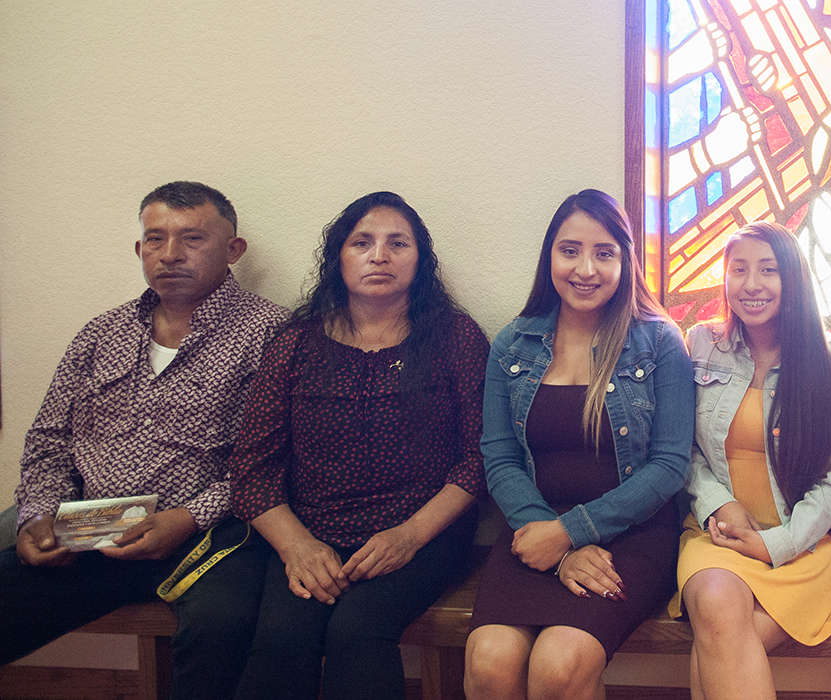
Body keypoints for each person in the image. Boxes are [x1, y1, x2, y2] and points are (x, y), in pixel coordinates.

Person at [0, 181, 286, 699]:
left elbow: (270, 458)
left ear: (233, 249)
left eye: (192, 238)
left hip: (211, 530)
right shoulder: (100, 334)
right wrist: (38, 514)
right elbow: (48, 440)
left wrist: (185, 519)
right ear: (140, 248)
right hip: (92, 527)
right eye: (155, 239)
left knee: (222, 627)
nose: (170, 254)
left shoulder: (271, 333)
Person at [227, 192, 489, 700]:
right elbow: (252, 468)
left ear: (421, 259)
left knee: (358, 633)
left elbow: (480, 457)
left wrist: (409, 536)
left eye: (398, 244)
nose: (379, 256)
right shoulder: (295, 341)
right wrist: (297, 547)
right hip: (310, 533)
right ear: (338, 257)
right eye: (362, 243)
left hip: (424, 534)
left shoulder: (455, 337)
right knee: (281, 640)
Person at [463, 190, 694, 700]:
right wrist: (552, 540)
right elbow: (499, 457)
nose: (585, 269)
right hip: (532, 527)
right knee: (489, 663)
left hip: (633, 534)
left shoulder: (659, 343)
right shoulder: (512, 344)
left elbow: (670, 465)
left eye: (604, 253)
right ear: (549, 256)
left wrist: (571, 533)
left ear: (625, 261)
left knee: (560, 665)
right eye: (570, 251)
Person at [671, 221, 831, 700]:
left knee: (716, 649)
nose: (751, 284)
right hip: (716, 535)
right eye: (739, 270)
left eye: (768, 270)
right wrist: (718, 504)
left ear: (792, 278)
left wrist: (777, 543)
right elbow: (681, 449)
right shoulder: (700, 345)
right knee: (717, 607)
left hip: (804, 544)